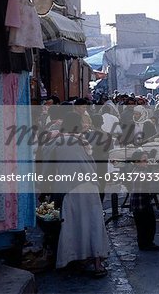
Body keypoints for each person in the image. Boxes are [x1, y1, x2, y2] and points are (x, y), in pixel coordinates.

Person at [42, 112, 109, 277]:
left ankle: (74, 259)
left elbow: (46, 168)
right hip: (90, 187)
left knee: (73, 224)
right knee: (93, 223)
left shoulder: (57, 142)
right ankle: (97, 263)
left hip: (71, 188)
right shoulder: (83, 141)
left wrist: (44, 189)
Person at [127, 150, 159, 251]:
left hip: (142, 201)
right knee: (145, 224)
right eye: (144, 160)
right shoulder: (138, 172)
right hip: (140, 203)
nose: (146, 162)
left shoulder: (139, 170)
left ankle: (146, 243)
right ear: (137, 162)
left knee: (146, 223)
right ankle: (145, 244)